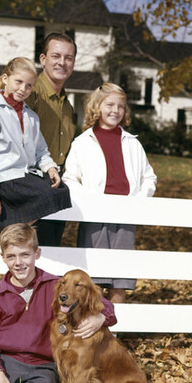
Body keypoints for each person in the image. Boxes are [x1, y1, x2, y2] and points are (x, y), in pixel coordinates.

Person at [0, 223, 117, 383]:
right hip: (7, 364)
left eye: (25, 255)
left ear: (37, 253)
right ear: (3, 257)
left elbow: (101, 302)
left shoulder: (55, 286)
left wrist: (102, 317)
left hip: (44, 366)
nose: (19, 262)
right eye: (11, 256)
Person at [63, 82, 157, 303]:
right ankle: (92, 330)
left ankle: (114, 330)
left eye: (121, 106)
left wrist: (138, 201)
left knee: (119, 278)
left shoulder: (132, 143)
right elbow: (70, 178)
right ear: (97, 106)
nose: (115, 110)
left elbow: (149, 177)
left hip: (125, 216)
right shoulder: (82, 142)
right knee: (94, 278)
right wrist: (89, 201)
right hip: (95, 217)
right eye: (110, 105)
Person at [0, 56, 72, 231]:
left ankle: (12, 228)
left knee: (61, 190)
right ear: (5, 79)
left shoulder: (31, 116)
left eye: (29, 85)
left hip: (25, 178)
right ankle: (11, 229)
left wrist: (51, 168)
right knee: (49, 194)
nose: (23, 89)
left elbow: (41, 150)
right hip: (4, 180)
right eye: (18, 82)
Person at [27, 32, 78, 246]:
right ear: (43, 59)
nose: (62, 63)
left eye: (68, 58)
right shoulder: (30, 94)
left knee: (51, 258)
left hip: (57, 190)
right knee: (25, 261)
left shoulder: (68, 107)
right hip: (30, 188)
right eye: (56, 56)